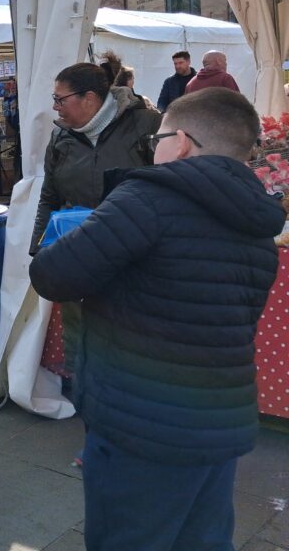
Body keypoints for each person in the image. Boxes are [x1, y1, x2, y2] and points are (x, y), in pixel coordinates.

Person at [29, 88, 283, 551]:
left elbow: (51, 274)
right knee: (204, 539)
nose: (152, 150)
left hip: (141, 423)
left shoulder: (148, 197)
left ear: (181, 142)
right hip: (219, 421)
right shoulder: (257, 222)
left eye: (157, 140)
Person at [32, 62, 161, 381]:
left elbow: (167, 185)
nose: (55, 106)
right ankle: (80, 386)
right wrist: (40, 248)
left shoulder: (146, 124)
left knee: (128, 325)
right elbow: (49, 196)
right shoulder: (60, 136)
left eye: (60, 99)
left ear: (89, 98)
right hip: (77, 249)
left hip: (132, 253)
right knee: (77, 324)